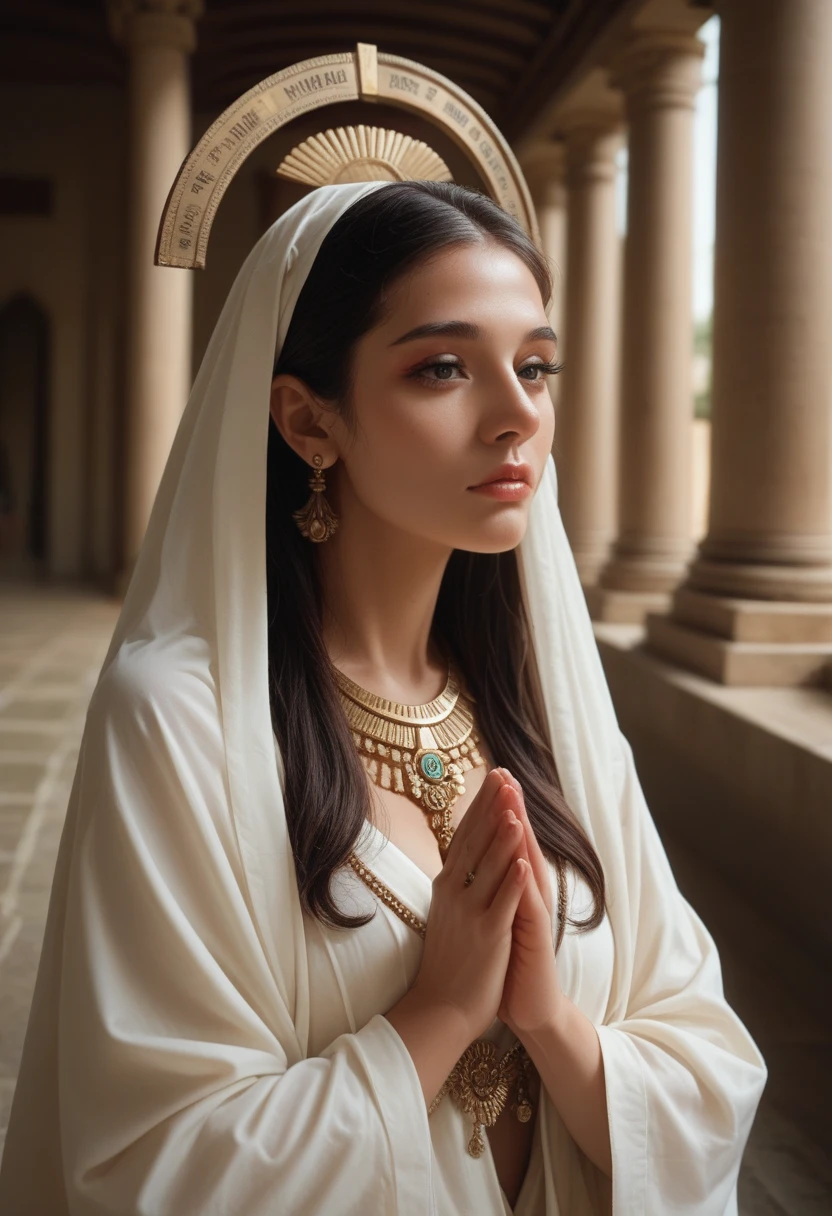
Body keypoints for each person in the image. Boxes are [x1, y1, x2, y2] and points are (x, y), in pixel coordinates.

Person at [0, 179, 767, 1215]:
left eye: (534, 365)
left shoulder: (548, 711)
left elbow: (707, 1066)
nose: (517, 415)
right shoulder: (178, 719)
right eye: (442, 367)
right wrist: (440, 1011)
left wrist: (549, 1020)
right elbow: (152, 1162)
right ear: (308, 420)